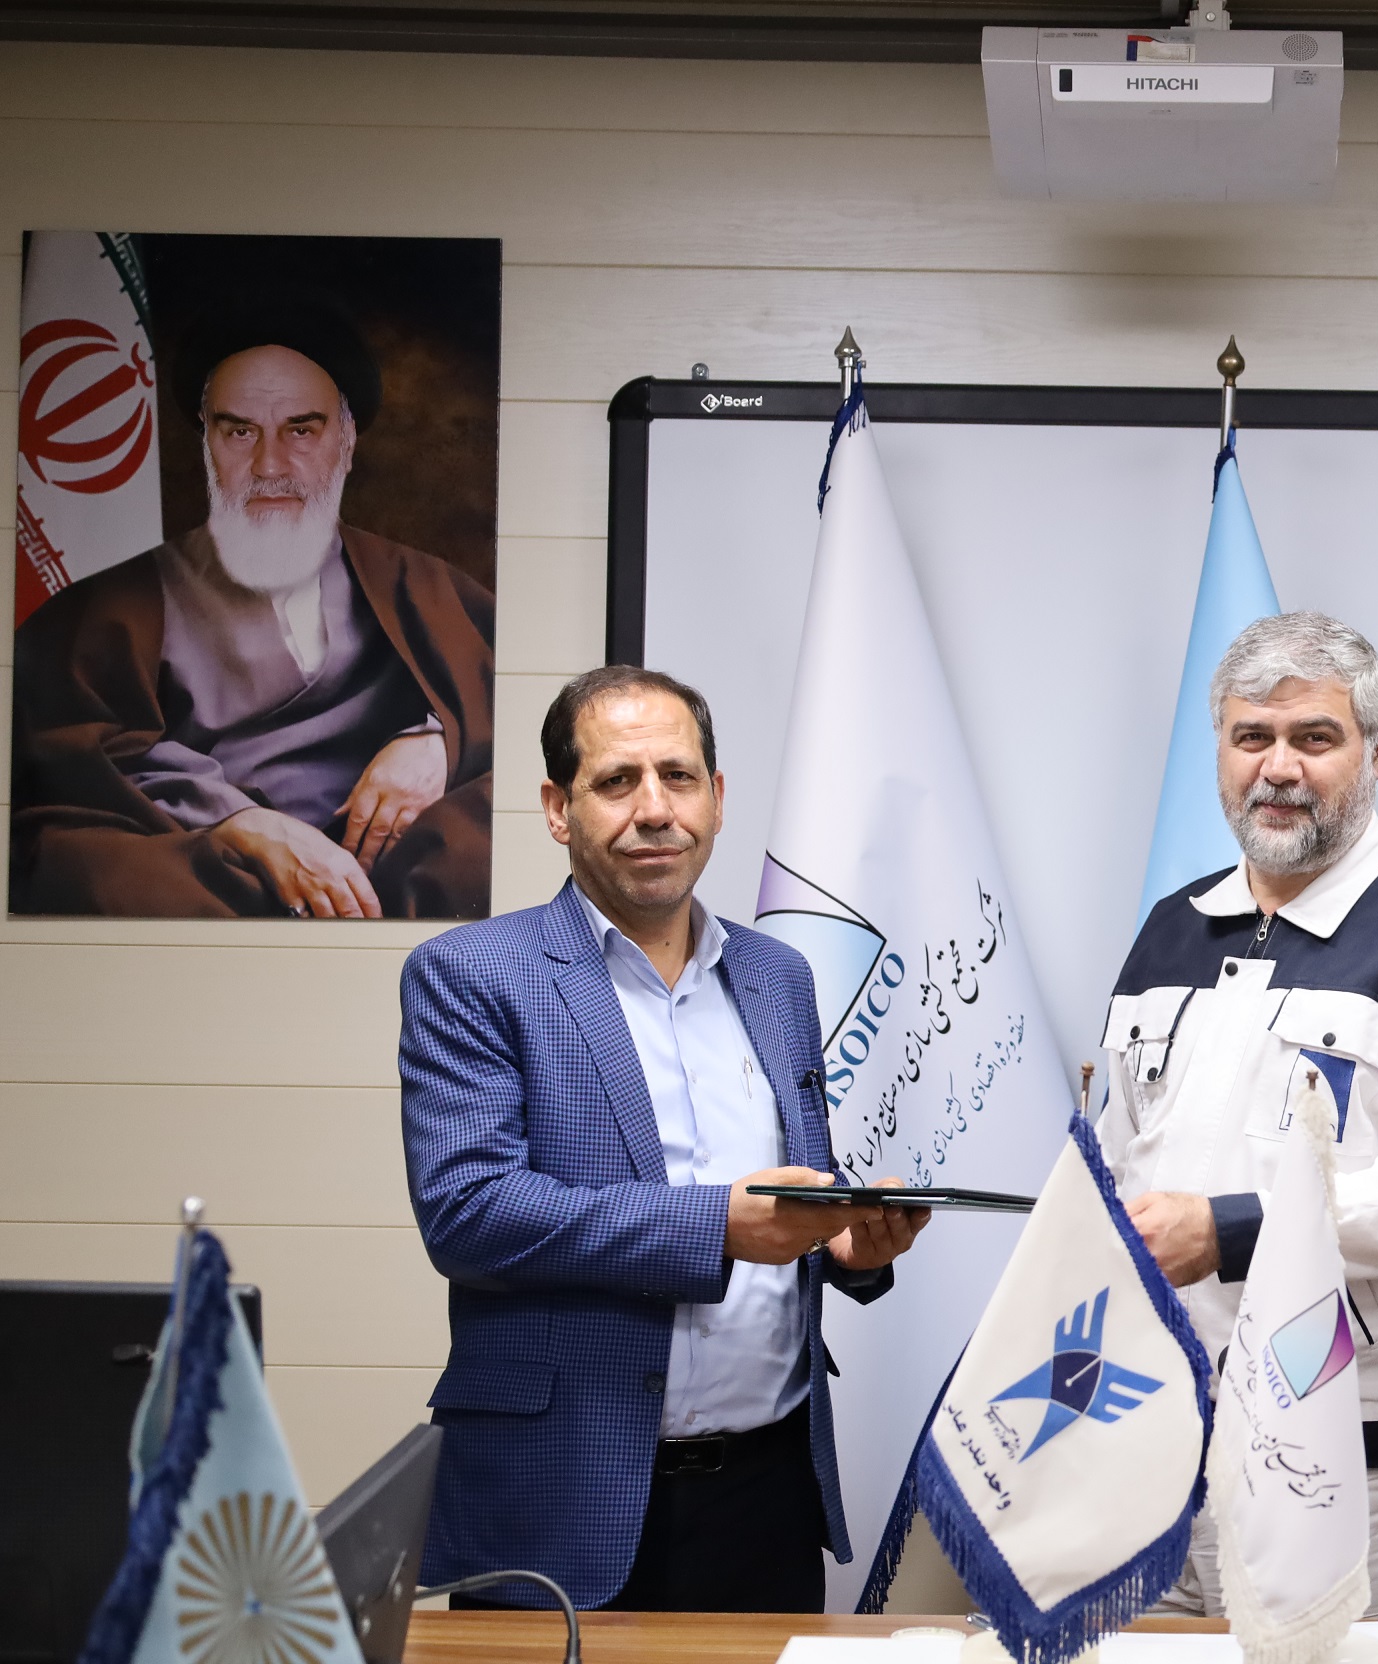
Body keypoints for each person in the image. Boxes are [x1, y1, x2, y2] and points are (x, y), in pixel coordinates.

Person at [399, 665, 928, 1612]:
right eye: (617, 781)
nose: (654, 809)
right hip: (564, 1493)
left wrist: (844, 1241)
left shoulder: (778, 977)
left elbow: (796, 1187)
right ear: (558, 809)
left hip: (768, 1494)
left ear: (715, 799)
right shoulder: (472, 974)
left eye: (678, 778)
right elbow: (469, 1214)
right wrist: (718, 1226)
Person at [1100, 612, 1378, 1619]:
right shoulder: (1170, 929)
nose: (1278, 767)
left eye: (1314, 737)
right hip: (1150, 1455)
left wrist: (1231, 1230)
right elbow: (1120, 1165)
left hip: (1345, 1470)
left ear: (1377, 750)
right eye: (1252, 737)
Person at [11, 298, 494, 919]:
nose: (270, 465)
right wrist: (242, 823)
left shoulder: (420, 583)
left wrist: (436, 743)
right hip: (209, 860)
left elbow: (520, 702)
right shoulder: (116, 602)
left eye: (301, 430)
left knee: (485, 840)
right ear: (206, 443)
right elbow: (74, 753)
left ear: (346, 442)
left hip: (390, 858)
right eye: (240, 431)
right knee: (85, 869)